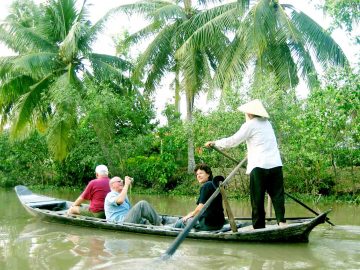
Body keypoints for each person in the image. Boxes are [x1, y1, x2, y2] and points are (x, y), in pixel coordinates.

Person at [205, 99, 286, 229]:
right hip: (276, 164)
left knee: (257, 199)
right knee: (277, 195)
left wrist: (215, 143)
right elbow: (263, 142)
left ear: (249, 114)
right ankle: (281, 223)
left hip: (259, 166)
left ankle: (259, 227)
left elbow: (233, 141)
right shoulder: (268, 124)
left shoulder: (250, 125)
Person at [174, 163, 225, 231]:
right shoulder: (214, 186)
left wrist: (189, 216)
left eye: (201, 173)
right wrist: (192, 213)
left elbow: (200, 208)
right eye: (197, 174)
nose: (198, 176)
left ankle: (170, 229)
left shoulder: (206, 186)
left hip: (208, 224)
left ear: (208, 174)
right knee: (189, 216)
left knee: (181, 222)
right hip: (219, 224)